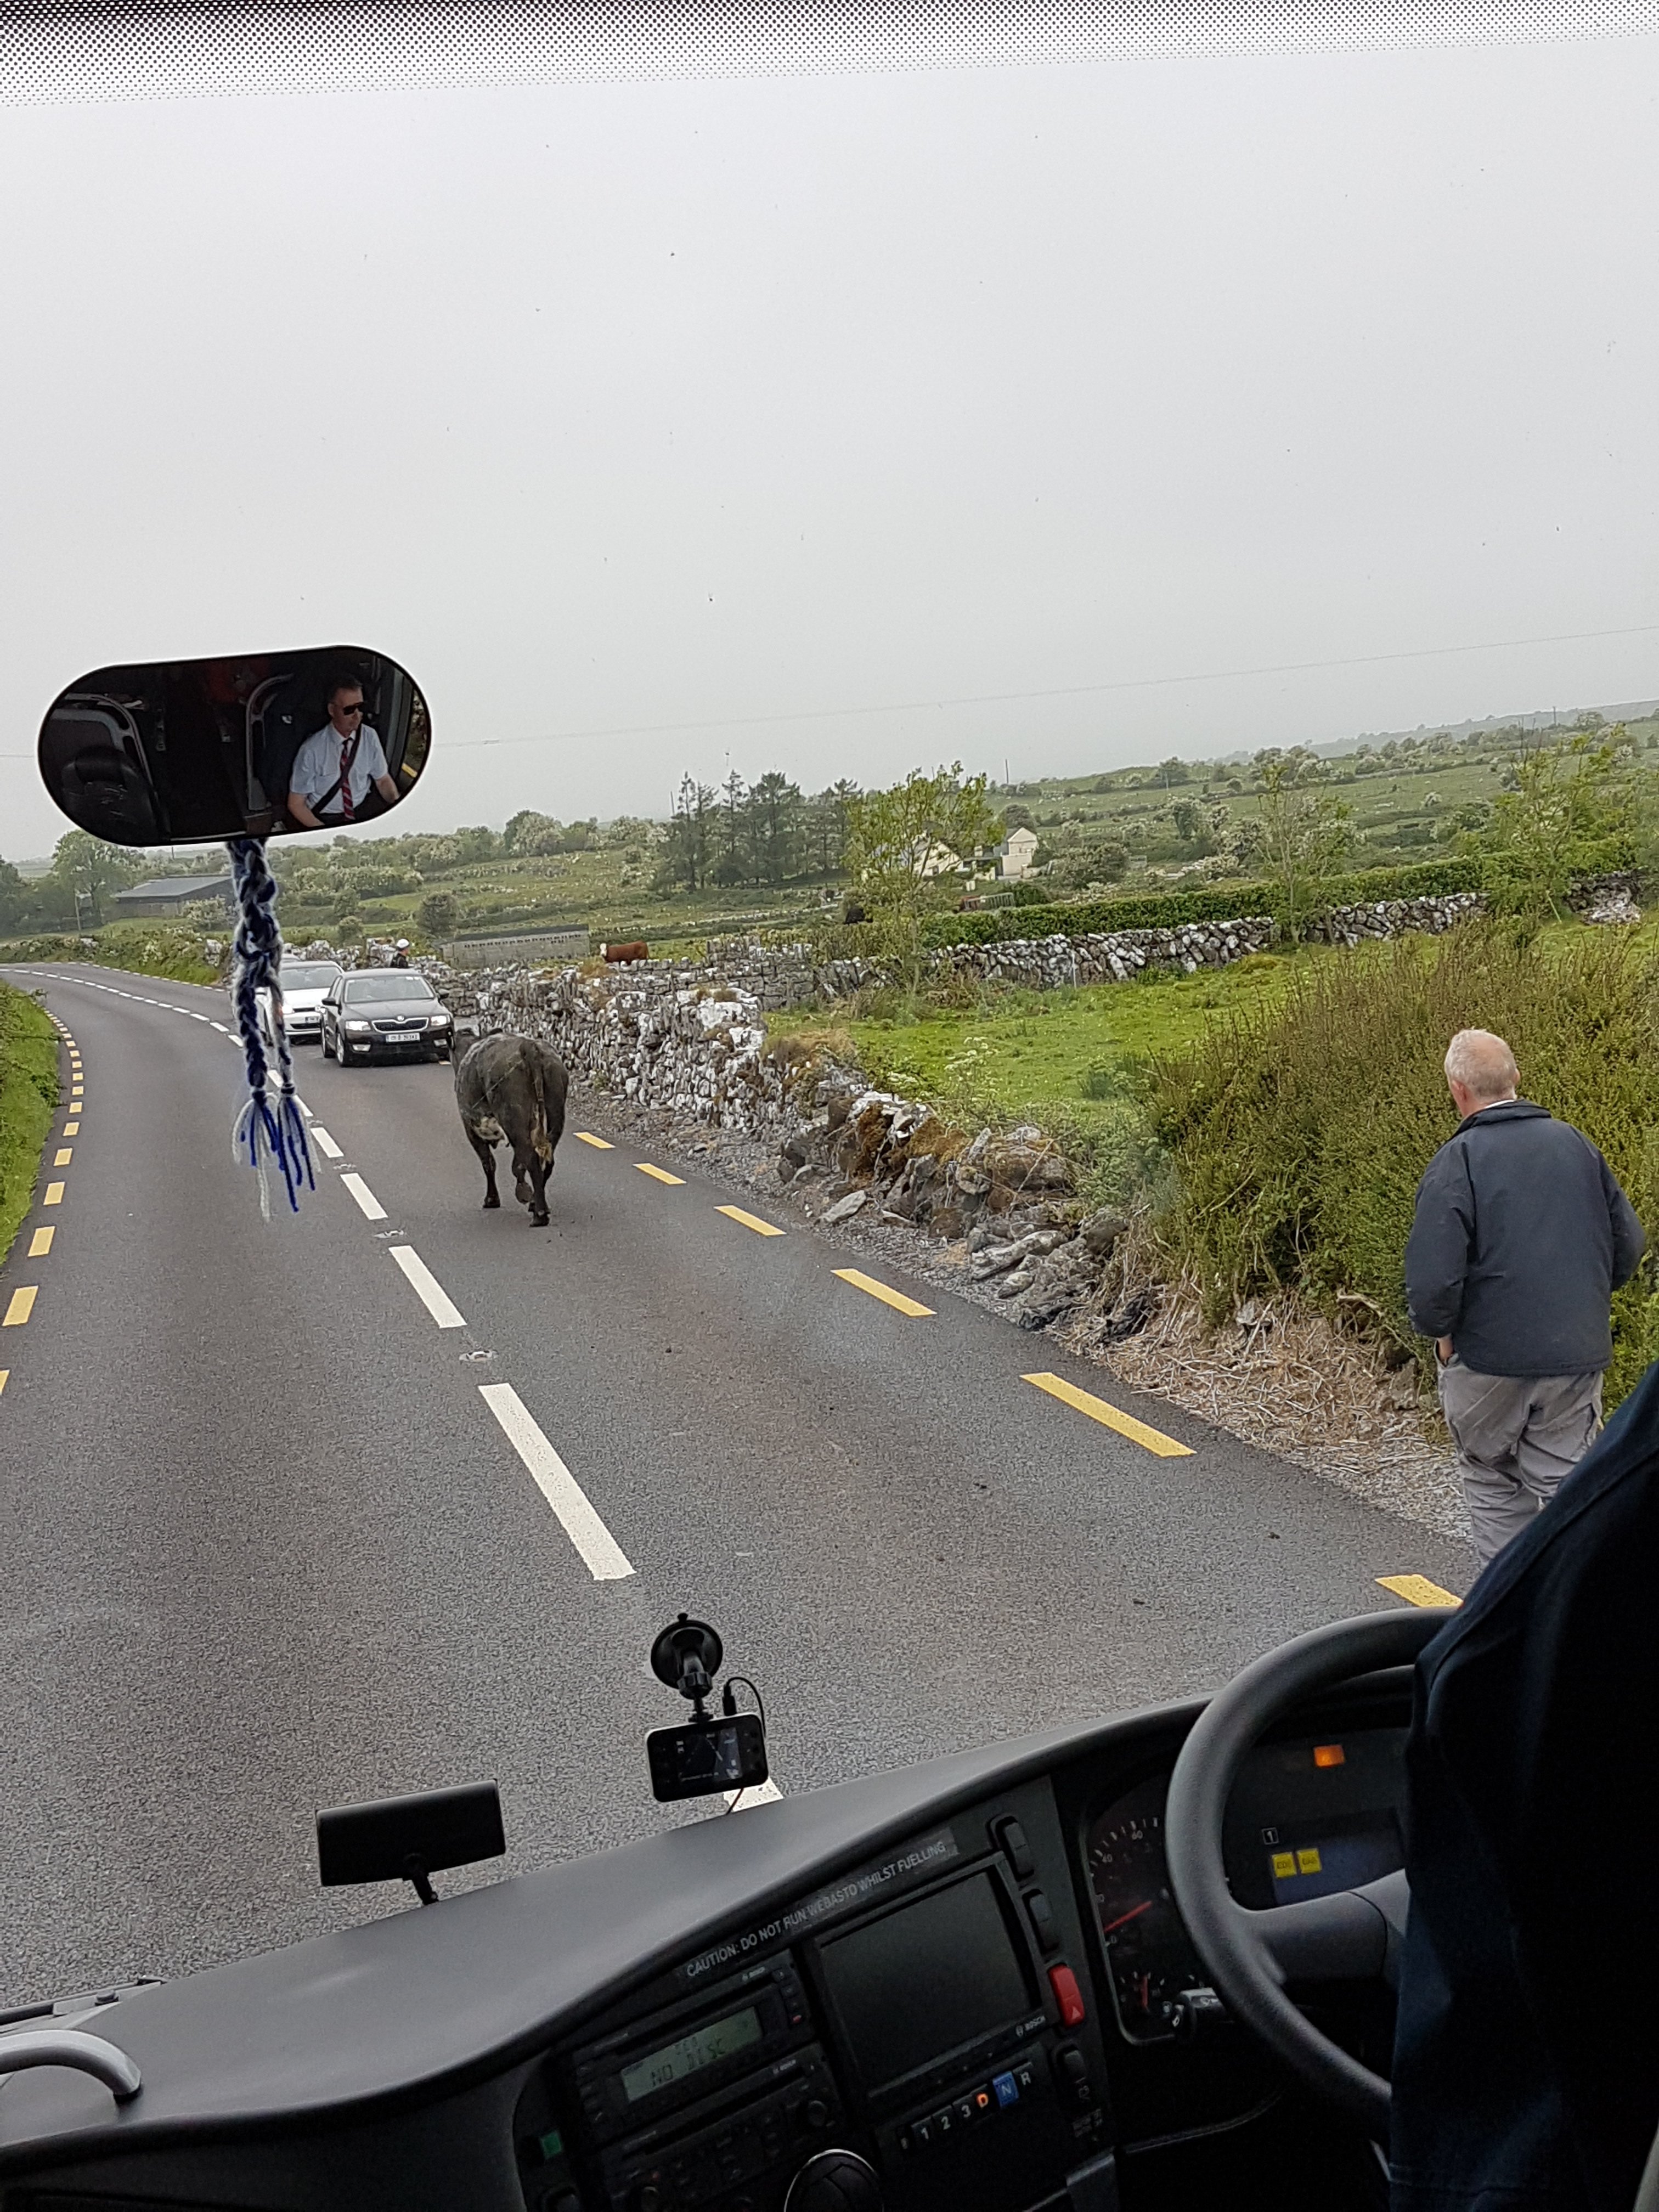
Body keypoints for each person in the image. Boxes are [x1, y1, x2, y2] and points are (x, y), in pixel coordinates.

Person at [1404, 1027, 1644, 1567]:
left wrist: (1443, 1339)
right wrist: (1580, 1301)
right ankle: (1583, 1600)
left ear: (1458, 1089)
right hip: (1572, 1356)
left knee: (1492, 1480)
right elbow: (1628, 1243)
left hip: (1487, 1361)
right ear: (1515, 1077)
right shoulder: (1575, 1146)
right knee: (1570, 1489)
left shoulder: (1458, 1161)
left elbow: (1433, 1282)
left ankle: (1509, 1606)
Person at [286, 673, 399, 828]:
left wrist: (396, 805)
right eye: (349, 710)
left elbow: (382, 780)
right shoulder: (311, 750)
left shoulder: (370, 737)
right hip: (325, 817)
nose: (357, 716)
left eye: (361, 707)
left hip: (361, 810)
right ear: (332, 710)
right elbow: (296, 804)